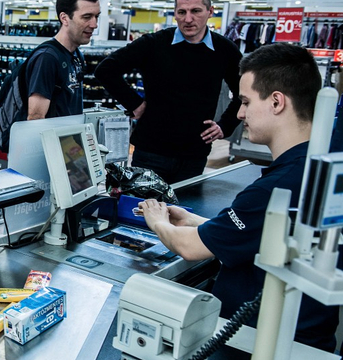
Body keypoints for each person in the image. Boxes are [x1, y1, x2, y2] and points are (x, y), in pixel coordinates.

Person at [138, 43, 339, 352]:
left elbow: (189, 248)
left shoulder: (277, 188)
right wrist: (193, 219)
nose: (240, 113)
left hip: (257, 344)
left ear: (276, 102)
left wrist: (157, 220)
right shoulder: (320, 164)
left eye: (245, 101)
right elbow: (260, 232)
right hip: (308, 339)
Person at [94, 0, 242, 184]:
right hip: (150, 152)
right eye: (181, 12)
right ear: (175, 13)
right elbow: (106, 70)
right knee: (141, 210)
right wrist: (135, 103)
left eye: (196, 11)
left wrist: (226, 125)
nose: (188, 19)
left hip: (194, 155)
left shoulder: (225, 50)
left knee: (185, 212)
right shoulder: (154, 44)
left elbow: (246, 91)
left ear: (210, 11)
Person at [25, 0, 101, 121]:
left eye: (96, 17)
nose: (94, 25)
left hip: (70, 140)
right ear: (64, 18)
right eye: (87, 17)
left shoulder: (77, 56)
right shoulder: (47, 58)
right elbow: (35, 118)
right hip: (51, 141)